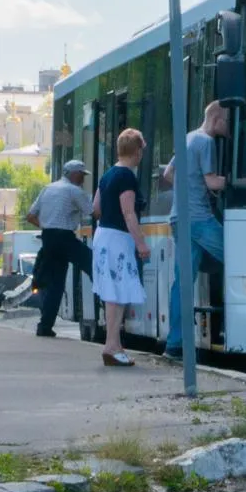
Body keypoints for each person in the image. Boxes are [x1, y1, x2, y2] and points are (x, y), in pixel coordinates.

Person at [161, 102, 229, 357]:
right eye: (227, 121)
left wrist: (189, 184)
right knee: (241, 262)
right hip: (200, 219)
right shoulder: (206, 142)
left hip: (179, 218)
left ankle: (174, 344)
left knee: (183, 283)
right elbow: (212, 181)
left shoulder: (187, 137)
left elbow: (169, 174)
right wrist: (243, 181)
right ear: (216, 119)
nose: (229, 126)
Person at [90, 129, 149, 367]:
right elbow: (128, 213)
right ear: (137, 151)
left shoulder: (108, 175)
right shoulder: (127, 176)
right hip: (118, 239)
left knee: (111, 292)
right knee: (119, 292)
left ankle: (112, 344)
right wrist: (141, 243)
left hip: (102, 236)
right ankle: (112, 346)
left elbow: (96, 207)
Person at [26, 159, 95, 338]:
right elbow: (93, 212)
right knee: (94, 265)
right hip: (64, 238)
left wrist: (48, 226)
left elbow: (31, 215)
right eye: (81, 175)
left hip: (48, 238)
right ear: (74, 174)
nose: (83, 179)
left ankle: (45, 327)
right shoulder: (74, 191)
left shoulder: (47, 189)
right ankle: (110, 306)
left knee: (56, 285)